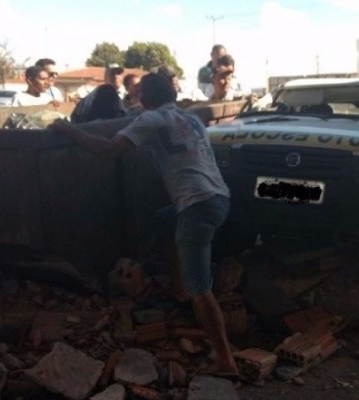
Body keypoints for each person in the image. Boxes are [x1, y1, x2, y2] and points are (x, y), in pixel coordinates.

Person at [49, 72, 239, 380]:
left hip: (196, 207)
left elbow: (108, 149)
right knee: (163, 221)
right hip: (218, 198)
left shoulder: (150, 120)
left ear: (144, 98)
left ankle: (225, 360)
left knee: (201, 288)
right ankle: (179, 291)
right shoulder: (190, 119)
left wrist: (68, 130)